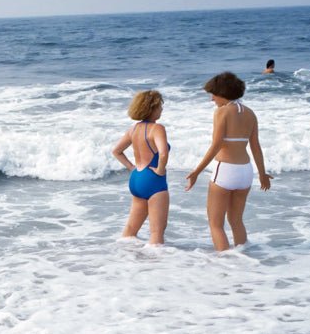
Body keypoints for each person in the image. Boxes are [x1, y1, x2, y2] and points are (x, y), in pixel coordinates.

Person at [185, 72, 272, 251]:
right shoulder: (250, 113)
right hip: (246, 172)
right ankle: (243, 257)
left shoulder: (221, 112)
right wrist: (262, 174)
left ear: (222, 93)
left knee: (216, 223)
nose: (212, 99)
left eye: (213, 95)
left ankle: (225, 263)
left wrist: (196, 172)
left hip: (225, 170)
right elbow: (256, 147)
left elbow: (216, 145)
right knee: (236, 220)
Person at [110, 90, 169, 245]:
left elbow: (116, 151)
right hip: (153, 180)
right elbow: (163, 153)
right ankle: (157, 260)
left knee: (130, 230)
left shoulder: (133, 129)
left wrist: (131, 167)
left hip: (137, 178)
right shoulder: (157, 128)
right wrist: (160, 170)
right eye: (159, 106)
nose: (162, 109)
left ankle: (124, 256)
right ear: (152, 108)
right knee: (157, 232)